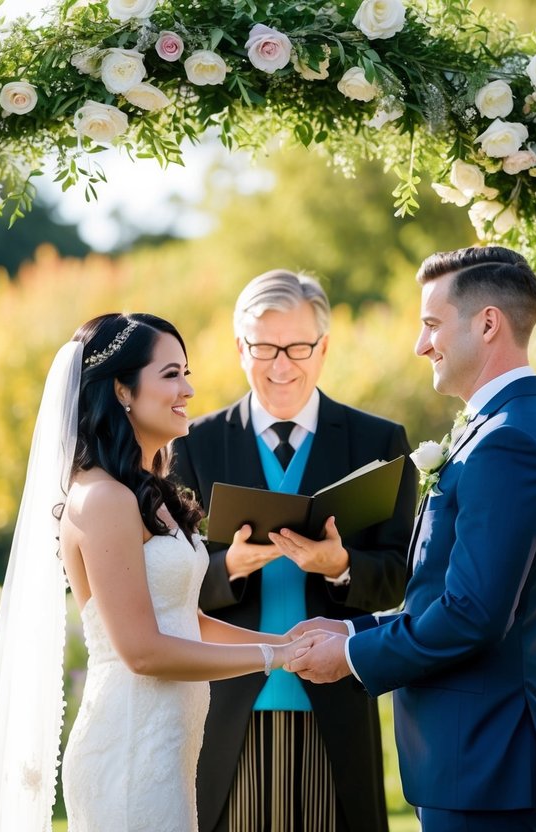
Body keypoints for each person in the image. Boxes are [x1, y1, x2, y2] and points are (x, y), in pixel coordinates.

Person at [0, 313, 310, 832]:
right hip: (127, 747)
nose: (188, 388)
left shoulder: (150, 493)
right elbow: (142, 651)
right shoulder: (102, 498)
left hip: (167, 745)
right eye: (171, 374)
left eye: (185, 372)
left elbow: (182, 619)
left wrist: (286, 643)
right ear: (123, 390)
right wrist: (271, 657)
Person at [287, 247, 536, 832]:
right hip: (479, 761)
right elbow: (451, 595)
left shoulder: (509, 442)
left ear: (488, 323)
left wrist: (349, 657)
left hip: (485, 762)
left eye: (431, 324)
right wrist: (350, 627)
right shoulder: (512, 425)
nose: (421, 346)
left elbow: (472, 615)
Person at [172, 270, 417, 832]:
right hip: (227, 709)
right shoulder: (193, 446)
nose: (281, 365)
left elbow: (403, 577)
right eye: (263, 347)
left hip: (337, 704)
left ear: (324, 347)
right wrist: (229, 567)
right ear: (240, 348)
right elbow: (165, 580)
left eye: (298, 347)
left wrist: (342, 567)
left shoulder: (378, 443)